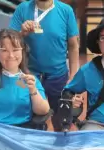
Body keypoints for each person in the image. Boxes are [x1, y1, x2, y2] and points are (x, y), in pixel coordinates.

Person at [9, 0, 79, 130]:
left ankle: (62, 147)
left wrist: (73, 75)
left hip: (58, 75)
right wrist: (21, 33)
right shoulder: (22, 9)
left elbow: (73, 46)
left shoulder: (66, 10)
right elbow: (9, 42)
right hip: (28, 75)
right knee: (28, 118)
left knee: (62, 120)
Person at [0, 29, 50, 127]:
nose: (11, 55)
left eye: (15, 49)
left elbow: (43, 111)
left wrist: (33, 90)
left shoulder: (30, 81)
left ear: (22, 51)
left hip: (19, 136)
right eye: (4, 50)